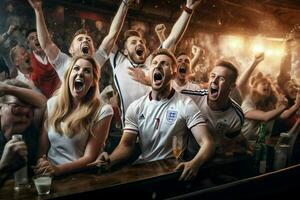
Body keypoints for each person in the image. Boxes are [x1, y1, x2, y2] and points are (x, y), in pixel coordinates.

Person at [90, 49, 215, 181]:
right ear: (149, 73)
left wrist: (195, 164)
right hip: (144, 170)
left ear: (173, 74)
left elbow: (208, 143)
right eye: (154, 63)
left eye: (164, 64)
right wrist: (109, 160)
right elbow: (126, 145)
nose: (158, 65)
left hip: (172, 172)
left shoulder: (185, 104)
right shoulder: (136, 107)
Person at [117, 0, 202, 126]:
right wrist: (124, 4)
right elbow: (112, 34)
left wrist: (188, 9)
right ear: (124, 51)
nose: (140, 43)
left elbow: (173, 38)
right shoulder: (118, 61)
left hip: (154, 127)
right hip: (129, 127)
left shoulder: (154, 62)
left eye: (141, 42)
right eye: (133, 42)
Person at [35, 55, 113, 176]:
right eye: (76, 68)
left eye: (87, 71)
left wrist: (57, 170)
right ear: (68, 76)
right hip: (48, 175)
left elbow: (90, 157)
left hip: (79, 178)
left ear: (93, 82)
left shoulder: (103, 111)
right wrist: (42, 164)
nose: (80, 73)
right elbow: (41, 149)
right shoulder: (52, 104)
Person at [28, 0, 135, 80]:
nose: (85, 41)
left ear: (93, 49)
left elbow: (113, 34)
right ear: (71, 49)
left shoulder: (95, 61)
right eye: (80, 39)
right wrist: (38, 10)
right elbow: (46, 43)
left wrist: (125, 3)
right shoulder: (64, 62)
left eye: (89, 40)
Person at [181, 60, 246, 157]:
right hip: (187, 155)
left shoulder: (237, 116)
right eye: (212, 76)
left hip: (214, 160)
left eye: (221, 79)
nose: (214, 81)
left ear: (231, 87)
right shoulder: (191, 98)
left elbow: (231, 142)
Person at [0, 79, 46, 181]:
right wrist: (4, 166)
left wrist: (7, 89)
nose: (24, 115)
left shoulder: (31, 130)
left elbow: (44, 103)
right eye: (16, 107)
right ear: (1, 108)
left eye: (30, 111)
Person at [25, 29, 61, 98]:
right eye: (32, 38)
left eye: (38, 36)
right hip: (44, 100)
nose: (36, 39)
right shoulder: (28, 61)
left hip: (61, 92)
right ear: (28, 44)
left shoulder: (53, 52)